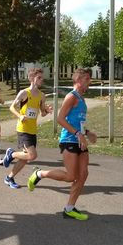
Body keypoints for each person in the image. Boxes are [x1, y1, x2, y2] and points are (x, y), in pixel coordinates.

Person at [26, 68, 97, 220]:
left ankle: (69, 208)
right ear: (78, 80)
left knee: (83, 174)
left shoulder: (82, 99)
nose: (89, 82)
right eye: (87, 80)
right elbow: (60, 119)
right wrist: (78, 134)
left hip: (80, 140)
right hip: (69, 140)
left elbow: (78, 122)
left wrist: (87, 133)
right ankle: (39, 174)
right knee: (71, 176)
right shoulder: (71, 97)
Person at [2, 68, 53, 189]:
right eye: (39, 77)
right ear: (31, 78)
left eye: (42, 77)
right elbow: (11, 107)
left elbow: (42, 113)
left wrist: (47, 110)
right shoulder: (24, 93)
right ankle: (11, 154)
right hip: (23, 128)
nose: (41, 80)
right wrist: (20, 116)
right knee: (32, 156)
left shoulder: (42, 96)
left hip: (32, 129)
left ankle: (9, 178)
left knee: (25, 159)